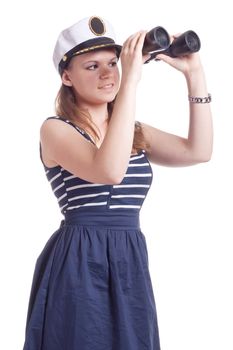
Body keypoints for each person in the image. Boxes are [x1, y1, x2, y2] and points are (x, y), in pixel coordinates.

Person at [22, 15, 213, 350]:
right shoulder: (54, 130)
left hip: (129, 258)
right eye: (91, 66)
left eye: (113, 63)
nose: (108, 74)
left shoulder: (134, 131)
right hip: (80, 259)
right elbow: (109, 170)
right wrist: (131, 84)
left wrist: (194, 75)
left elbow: (199, 150)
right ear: (67, 77)